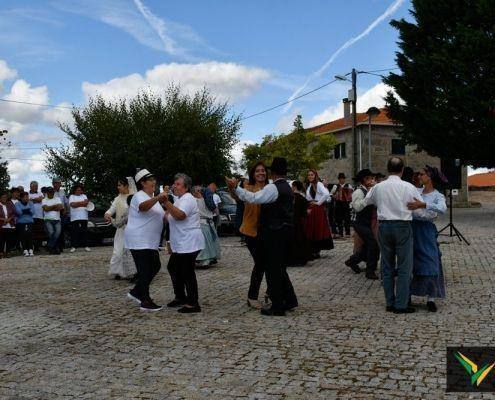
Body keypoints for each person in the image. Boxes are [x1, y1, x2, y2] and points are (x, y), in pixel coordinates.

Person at [227, 157, 298, 317]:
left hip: (275, 233)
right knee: (279, 269)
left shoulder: (273, 188)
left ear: (272, 172)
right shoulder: (286, 187)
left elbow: (253, 198)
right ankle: (290, 300)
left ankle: (278, 306)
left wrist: (236, 187)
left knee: (273, 270)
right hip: (284, 231)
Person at [362, 157, 419, 314]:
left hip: (385, 226)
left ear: (387, 169)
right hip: (402, 226)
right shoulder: (409, 187)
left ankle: (389, 302)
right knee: (404, 267)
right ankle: (401, 304)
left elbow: (367, 201)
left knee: (386, 265)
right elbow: (419, 208)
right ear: (402, 170)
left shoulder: (379, 187)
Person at [407, 166, 448, 312]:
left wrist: (422, 205)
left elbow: (441, 209)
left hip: (426, 231)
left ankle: (431, 298)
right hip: (411, 228)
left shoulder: (438, 195)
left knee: (431, 261)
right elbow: (409, 208)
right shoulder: (415, 191)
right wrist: (425, 211)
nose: (419, 176)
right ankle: (407, 294)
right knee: (410, 261)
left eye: (422, 174)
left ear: (429, 177)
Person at [125, 169, 167, 312]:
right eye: (150, 180)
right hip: (139, 239)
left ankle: (136, 291)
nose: (154, 182)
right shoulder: (139, 196)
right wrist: (158, 198)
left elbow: (161, 216)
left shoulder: (152, 198)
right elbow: (143, 208)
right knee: (144, 270)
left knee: (155, 266)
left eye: (154, 179)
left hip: (150, 241)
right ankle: (145, 301)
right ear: (142, 183)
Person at [163, 173, 205, 314]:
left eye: (178, 184)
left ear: (186, 187)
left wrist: (166, 203)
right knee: (173, 267)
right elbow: (170, 216)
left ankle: (193, 303)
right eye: (174, 183)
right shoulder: (179, 199)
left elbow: (180, 215)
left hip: (189, 242)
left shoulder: (187, 199)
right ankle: (181, 297)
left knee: (187, 271)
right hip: (182, 242)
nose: (175, 186)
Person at [230, 162, 269, 309]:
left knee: (270, 263)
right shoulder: (248, 187)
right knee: (260, 263)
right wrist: (232, 187)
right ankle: (252, 297)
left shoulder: (270, 188)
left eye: (263, 170)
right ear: (253, 174)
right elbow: (236, 196)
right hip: (251, 231)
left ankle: (271, 291)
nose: (261, 173)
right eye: (258, 171)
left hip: (268, 232)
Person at [345, 169, 379, 279]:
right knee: (373, 245)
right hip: (359, 223)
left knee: (368, 246)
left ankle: (352, 261)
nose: (372, 180)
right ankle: (370, 271)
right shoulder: (358, 192)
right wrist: (368, 198)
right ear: (365, 179)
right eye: (370, 178)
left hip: (365, 223)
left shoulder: (368, 190)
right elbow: (358, 207)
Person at [104, 178, 136, 280]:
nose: (118, 187)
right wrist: (107, 214)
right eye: (117, 185)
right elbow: (111, 210)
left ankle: (131, 273)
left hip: (132, 230)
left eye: (120, 185)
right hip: (121, 230)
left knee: (130, 252)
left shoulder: (134, 197)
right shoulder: (117, 199)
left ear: (126, 186)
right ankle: (118, 271)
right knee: (118, 252)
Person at [305, 169, 333, 259]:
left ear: (315, 175)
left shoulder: (319, 184)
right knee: (312, 228)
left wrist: (318, 203)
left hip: (318, 209)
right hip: (312, 209)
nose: (310, 176)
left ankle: (317, 250)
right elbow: (308, 198)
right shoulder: (309, 186)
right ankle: (314, 249)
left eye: (312, 175)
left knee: (318, 228)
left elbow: (326, 194)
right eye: (309, 175)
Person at [193, 185, 221, 268]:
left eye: (200, 191)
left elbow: (216, 211)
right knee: (205, 243)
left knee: (210, 242)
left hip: (207, 223)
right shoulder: (194, 200)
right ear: (193, 192)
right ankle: (204, 259)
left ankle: (209, 259)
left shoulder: (207, 201)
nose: (199, 192)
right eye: (197, 191)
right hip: (201, 223)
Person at [291, 180, 311, 266]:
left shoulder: (291, 197)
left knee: (294, 241)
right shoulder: (303, 198)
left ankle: (294, 259)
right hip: (298, 222)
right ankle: (301, 258)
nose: (291, 188)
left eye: (292, 186)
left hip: (292, 222)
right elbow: (304, 214)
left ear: (295, 187)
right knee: (299, 240)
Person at [69, 184, 91, 253]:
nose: (80, 191)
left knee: (84, 232)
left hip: (84, 216)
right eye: (78, 190)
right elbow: (72, 205)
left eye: (81, 190)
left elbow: (86, 203)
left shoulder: (84, 196)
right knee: (75, 232)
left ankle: (86, 246)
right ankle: (73, 246)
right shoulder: (72, 196)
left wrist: (77, 204)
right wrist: (82, 203)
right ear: (75, 190)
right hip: (75, 217)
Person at [42, 187, 64, 255]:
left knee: (57, 233)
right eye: (49, 192)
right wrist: (55, 206)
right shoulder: (44, 200)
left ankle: (50, 247)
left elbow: (60, 207)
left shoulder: (57, 198)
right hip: (48, 220)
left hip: (57, 219)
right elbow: (45, 209)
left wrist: (50, 208)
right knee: (51, 234)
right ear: (47, 193)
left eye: (52, 192)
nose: (51, 193)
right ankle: (55, 249)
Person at [331, 173, 353, 238]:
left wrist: (350, 197)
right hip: (338, 204)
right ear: (339, 179)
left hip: (346, 204)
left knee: (347, 219)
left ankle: (347, 233)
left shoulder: (348, 186)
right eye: (340, 179)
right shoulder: (335, 186)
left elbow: (352, 192)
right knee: (339, 219)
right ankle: (340, 233)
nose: (342, 180)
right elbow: (331, 194)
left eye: (343, 178)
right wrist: (335, 196)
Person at [15, 192, 35, 256]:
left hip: (29, 222)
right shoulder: (17, 203)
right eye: (25, 197)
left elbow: (32, 212)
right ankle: (25, 249)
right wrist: (27, 210)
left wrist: (23, 211)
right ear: (21, 198)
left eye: (27, 196)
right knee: (23, 235)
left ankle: (30, 249)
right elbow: (18, 212)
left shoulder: (31, 203)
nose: (27, 198)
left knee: (29, 234)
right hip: (21, 222)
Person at [53, 177, 69, 253]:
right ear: (53, 184)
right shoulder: (51, 192)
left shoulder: (62, 191)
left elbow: (65, 201)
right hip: (54, 212)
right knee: (56, 230)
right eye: (55, 183)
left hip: (62, 212)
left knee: (61, 230)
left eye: (58, 183)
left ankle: (61, 246)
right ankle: (56, 246)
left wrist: (66, 209)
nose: (56, 184)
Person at [0, 191, 16, 258]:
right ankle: (1, 252)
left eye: (5, 197)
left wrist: (9, 219)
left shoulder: (9, 204)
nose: (4, 198)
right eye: (3, 197)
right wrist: (3, 219)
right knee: (1, 239)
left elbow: (14, 213)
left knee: (9, 239)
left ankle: (8, 252)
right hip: (1, 224)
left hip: (9, 224)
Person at [28, 181, 44, 249]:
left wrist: (32, 200)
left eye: (36, 186)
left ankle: (38, 246)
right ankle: (32, 246)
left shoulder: (40, 193)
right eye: (34, 186)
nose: (35, 187)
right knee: (32, 232)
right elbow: (28, 201)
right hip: (32, 216)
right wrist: (37, 199)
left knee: (40, 231)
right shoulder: (27, 194)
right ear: (30, 187)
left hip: (40, 215)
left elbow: (42, 199)